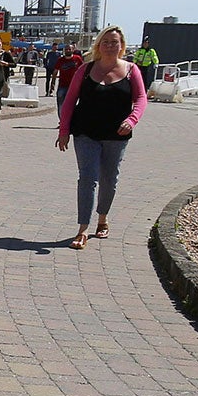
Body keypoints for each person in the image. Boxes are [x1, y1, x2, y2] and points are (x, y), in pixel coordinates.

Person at [56, 26, 147, 248]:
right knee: (87, 178)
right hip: (86, 132)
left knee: (109, 179)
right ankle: (83, 229)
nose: (109, 46)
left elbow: (141, 98)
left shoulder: (131, 70)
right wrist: (63, 131)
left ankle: (103, 218)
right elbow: (69, 101)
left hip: (117, 133)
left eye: (114, 42)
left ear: (121, 46)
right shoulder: (85, 70)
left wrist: (132, 119)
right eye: (105, 42)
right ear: (98, 45)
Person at [53, 44, 84, 110]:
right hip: (62, 85)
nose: (68, 50)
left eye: (69, 49)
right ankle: (62, 119)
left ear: (73, 50)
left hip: (74, 86)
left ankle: (71, 119)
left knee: (72, 105)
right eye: (66, 49)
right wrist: (52, 83)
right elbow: (55, 72)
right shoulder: (60, 60)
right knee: (61, 104)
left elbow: (83, 70)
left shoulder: (77, 58)